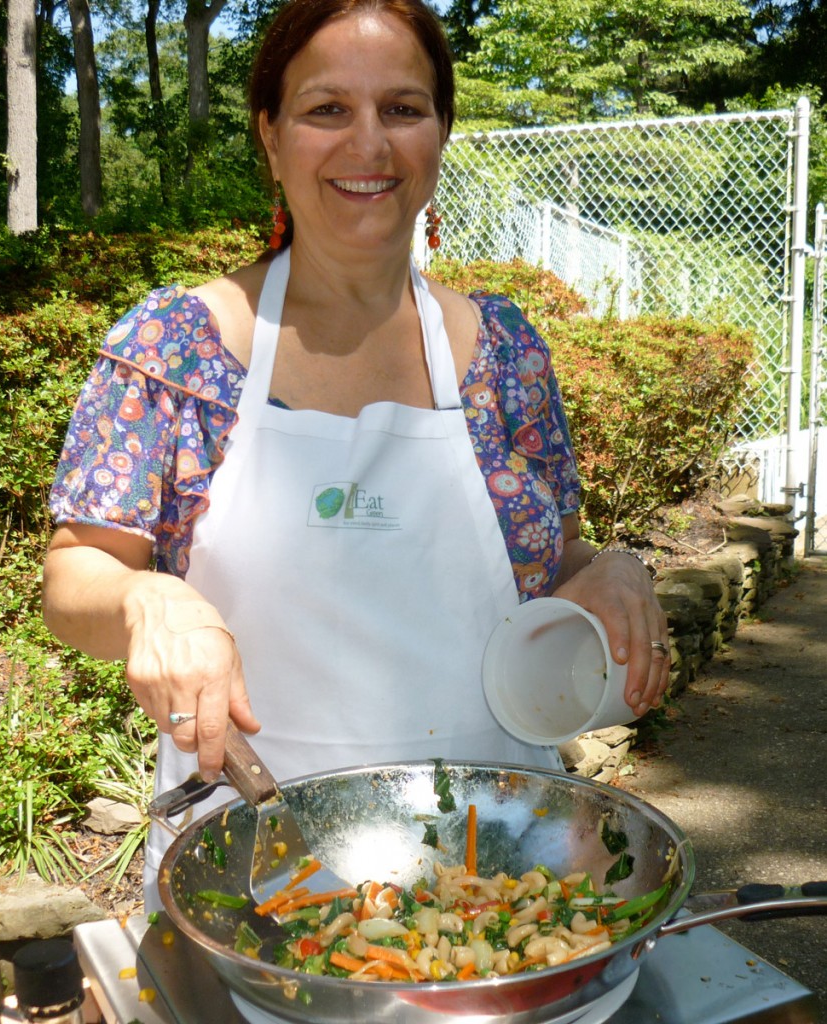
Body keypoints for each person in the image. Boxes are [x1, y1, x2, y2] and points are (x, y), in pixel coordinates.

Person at [42, 0, 670, 911]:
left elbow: (552, 557)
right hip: (255, 881)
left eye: (403, 109)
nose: (368, 144)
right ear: (270, 133)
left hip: (500, 878)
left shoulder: (505, 349)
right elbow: (76, 577)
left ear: (441, 133)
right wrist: (145, 596)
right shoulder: (177, 346)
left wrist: (607, 567)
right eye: (327, 109)